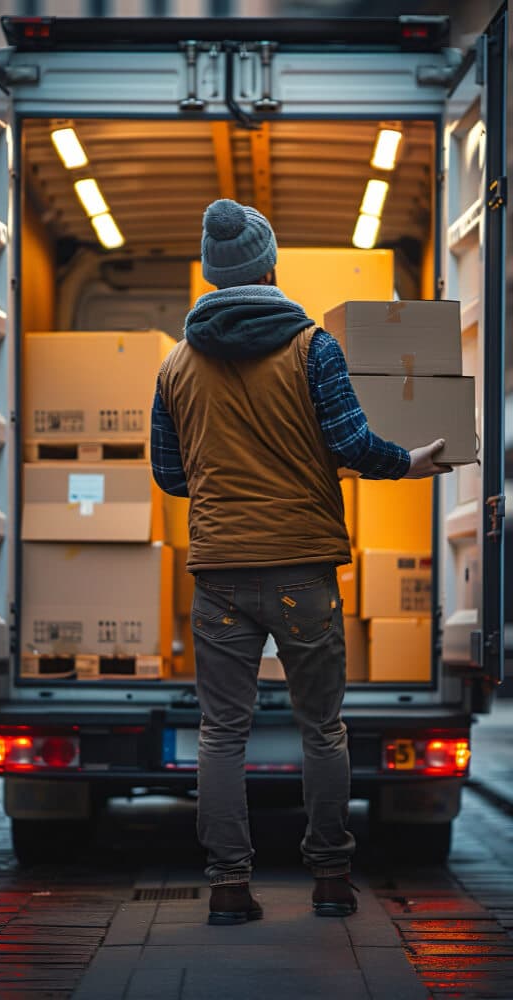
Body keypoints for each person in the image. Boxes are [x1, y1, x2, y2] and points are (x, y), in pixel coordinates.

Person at [150, 198, 451, 927]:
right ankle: (331, 880)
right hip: (302, 571)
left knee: (222, 732)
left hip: (220, 572)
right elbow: (352, 445)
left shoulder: (175, 366)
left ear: (213, 274)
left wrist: (227, 476)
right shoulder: (314, 348)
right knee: (322, 728)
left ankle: (228, 886)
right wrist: (411, 462)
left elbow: (170, 474)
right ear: (269, 267)